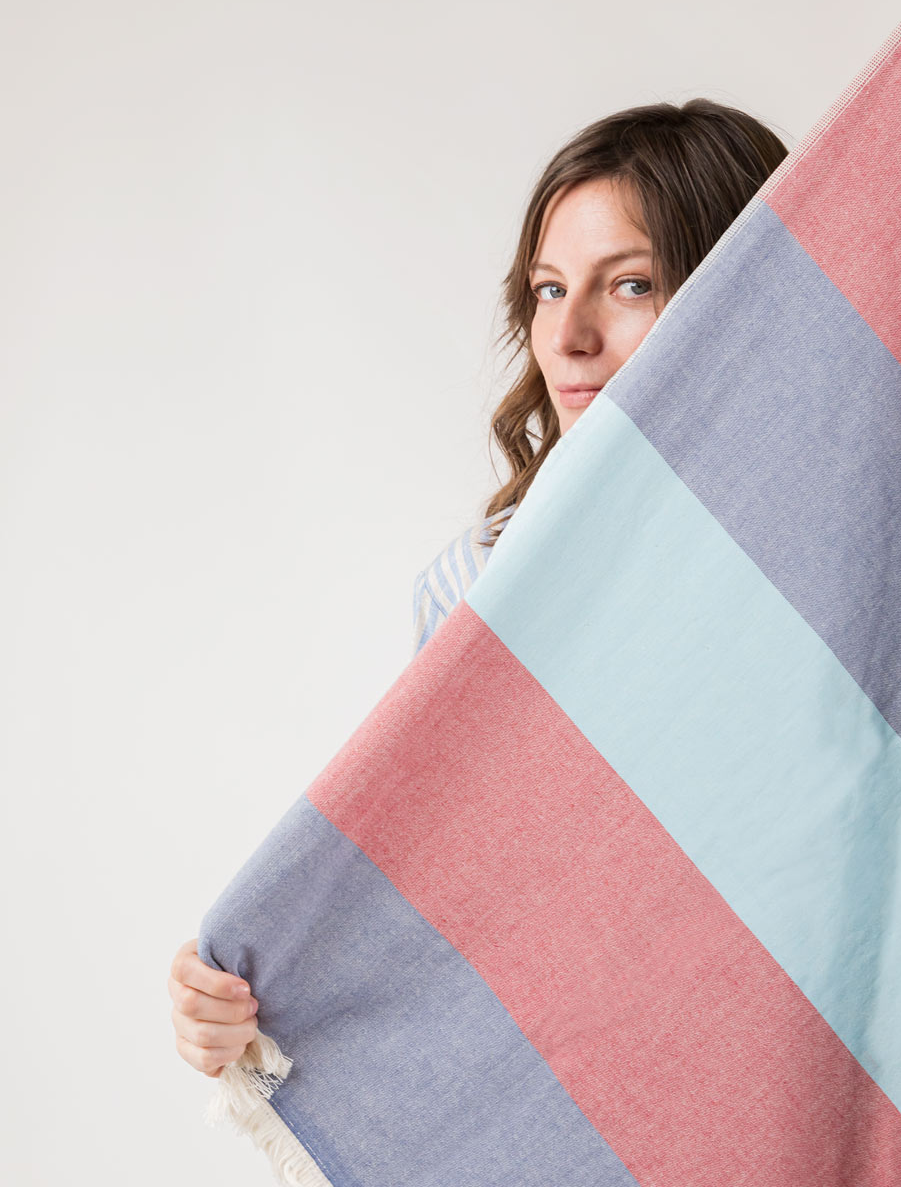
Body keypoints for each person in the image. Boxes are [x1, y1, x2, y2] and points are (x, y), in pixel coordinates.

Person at [169, 98, 790, 1078]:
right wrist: (250, 999)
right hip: (626, 1082)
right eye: (548, 290)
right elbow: (446, 896)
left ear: (740, 296)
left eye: (629, 284)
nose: (569, 337)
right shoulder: (475, 590)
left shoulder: (855, 563)